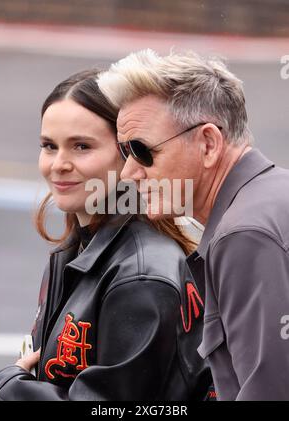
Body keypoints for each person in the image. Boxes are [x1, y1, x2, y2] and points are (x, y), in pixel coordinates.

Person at [0, 70, 211, 401]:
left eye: (81, 146)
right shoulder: (78, 247)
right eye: (49, 146)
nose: (59, 164)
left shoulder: (141, 276)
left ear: (127, 154)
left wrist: (8, 387)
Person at [97, 50, 289, 400]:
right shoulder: (268, 198)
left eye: (142, 150)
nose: (128, 172)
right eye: (125, 152)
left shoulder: (244, 234)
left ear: (208, 144)